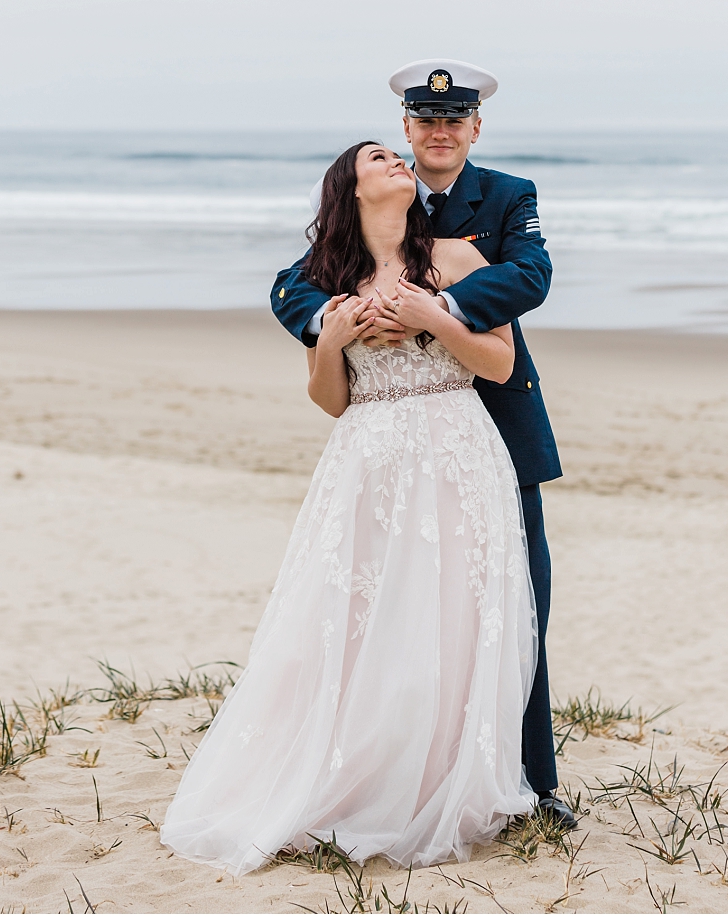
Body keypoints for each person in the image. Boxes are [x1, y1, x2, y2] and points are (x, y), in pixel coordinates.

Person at [159, 138, 540, 873]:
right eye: (378, 158)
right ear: (349, 188)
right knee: (362, 620)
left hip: (458, 446)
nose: (399, 161)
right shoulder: (329, 284)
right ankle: (355, 775)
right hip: (367, 459)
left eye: (399, 156)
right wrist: (331, 340)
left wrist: (436, 315)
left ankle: (436, 782)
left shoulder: (459, 258)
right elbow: (331, 399)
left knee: (453, 618)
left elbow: (501, 361)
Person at [269, 61, 574, 833]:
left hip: (487, 430)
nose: (437, 133)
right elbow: (294, 287)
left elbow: (531, 273)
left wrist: (434, 308)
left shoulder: (506, 199)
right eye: (424, 120)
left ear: (474, 127)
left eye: (454, 119)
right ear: (407, 127)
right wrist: (333, 325)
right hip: (380, 442)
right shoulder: (339, 256)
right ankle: (386, 767)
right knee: (384, 607)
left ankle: (532, 780)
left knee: (513, 605)